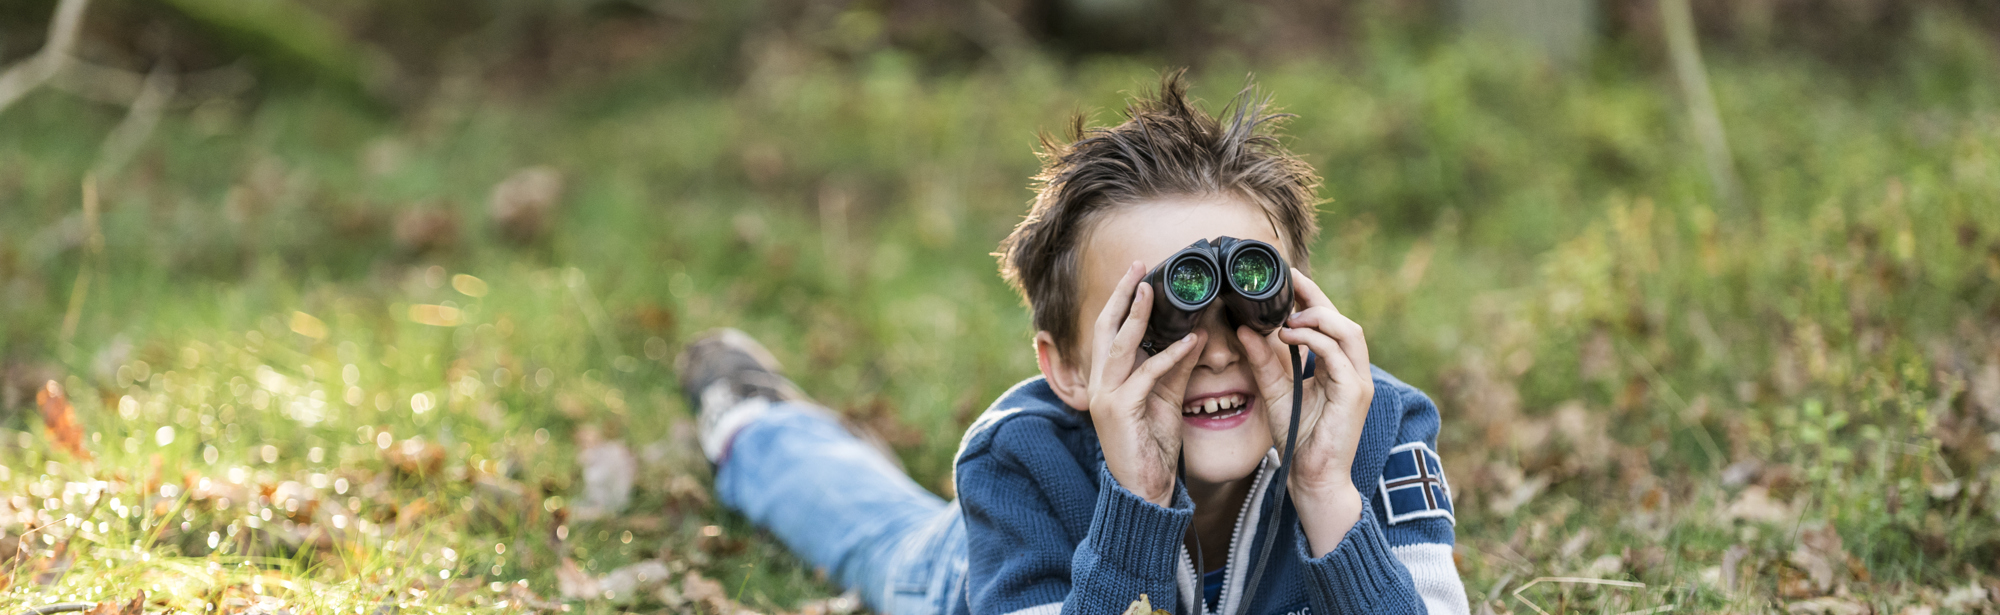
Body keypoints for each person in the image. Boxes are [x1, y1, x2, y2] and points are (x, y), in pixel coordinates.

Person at [677, 71, 1469, 615]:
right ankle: (754, 421)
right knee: (871, 531)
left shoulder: (1376, 430)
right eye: (1158, 319)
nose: (1217, 349)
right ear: (1065, 367)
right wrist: (1135, 506)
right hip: (984, 579)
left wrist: (1330, 492)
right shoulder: (1024, 461)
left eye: (1246, 305)